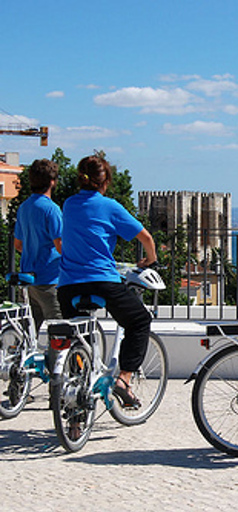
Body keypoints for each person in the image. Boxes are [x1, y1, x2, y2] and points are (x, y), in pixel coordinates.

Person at [57, 155, 157, 410]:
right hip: (102, 281)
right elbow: (145, 237)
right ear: (106, 182)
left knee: (77, 340)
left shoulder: (68, 204)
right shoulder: (110, 206)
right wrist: (151, 259)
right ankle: (124, 379)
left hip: (67, 285)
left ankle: (75, 411)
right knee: (139, 321)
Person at [13, 159, 63, 333]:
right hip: (50, 279)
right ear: (52, 181)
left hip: (28, 277)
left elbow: (18, 244)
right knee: (59, 333)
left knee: (28, 332)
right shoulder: (52, 209)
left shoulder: (24, 208)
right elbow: (61, 245)